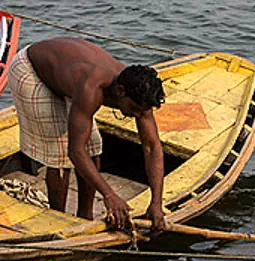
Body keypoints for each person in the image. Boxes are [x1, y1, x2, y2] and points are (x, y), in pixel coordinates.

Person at [9, 37, 167, 232]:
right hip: (31, 71)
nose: (137, 115)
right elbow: (75, 151)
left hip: (64, 75)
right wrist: (110, 196)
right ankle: (58, 219)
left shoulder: (141, 95)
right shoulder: (91, 87)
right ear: (119, 92)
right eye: (133, 109)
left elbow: (152, 148)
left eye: (141, 111)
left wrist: (156, 203)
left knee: (93, 146)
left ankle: (85, 216)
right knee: (59, 156)